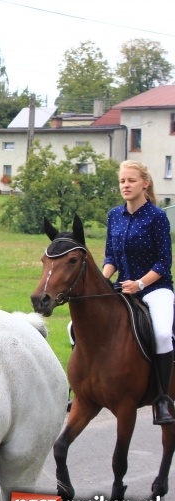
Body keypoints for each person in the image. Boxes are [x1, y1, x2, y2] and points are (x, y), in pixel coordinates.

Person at [103, 160, 174, 425]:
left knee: (163, 334)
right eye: (122, 181)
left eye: (131, 180)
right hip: (123, 287)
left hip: (155, 288)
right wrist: (103, 280)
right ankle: (87, 388)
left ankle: (163, 398)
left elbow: (163, 262)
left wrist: (140, 284)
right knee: (77, 325)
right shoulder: (114, 215)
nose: (125, 185)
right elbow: (110, 255)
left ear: (144, 183)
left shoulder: (157, 217)